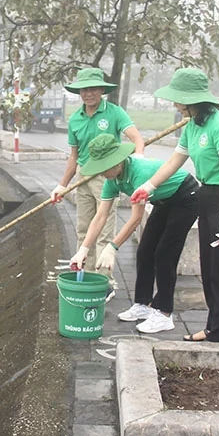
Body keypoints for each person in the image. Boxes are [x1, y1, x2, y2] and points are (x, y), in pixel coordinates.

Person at [130, 68, 219, 343]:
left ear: (192, 99)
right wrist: (148, 186)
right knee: (209, 270)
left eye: (178, 99)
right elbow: (175, 161)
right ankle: (212, 328)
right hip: (207, 197)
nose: (175, 104)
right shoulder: (193, 125)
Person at [70, 134, 199, 333]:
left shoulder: (139, 173)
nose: (102, 172)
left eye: (105, 167)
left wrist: (112, 247)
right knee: (145, 250)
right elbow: (100, 216)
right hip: (163, 200)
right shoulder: (112, 179)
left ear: (118, 161)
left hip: (186, 196)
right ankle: (143, 304)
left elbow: (136, 218)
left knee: (164, 254)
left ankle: (164, 313)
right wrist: (83, 250)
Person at [51, 68, 145, 281]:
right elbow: (74, 156)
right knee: (83, 229)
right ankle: (85, 275)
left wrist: (138, 160)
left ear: (102, 90)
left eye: (93, 89)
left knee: (104, 231)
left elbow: (137, 139)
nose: (88, 94)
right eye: (84, 90)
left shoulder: (115, 113)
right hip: (84, 176)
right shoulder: (75, 119)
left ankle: (103, 279)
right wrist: (62, 185)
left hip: (106, 175)